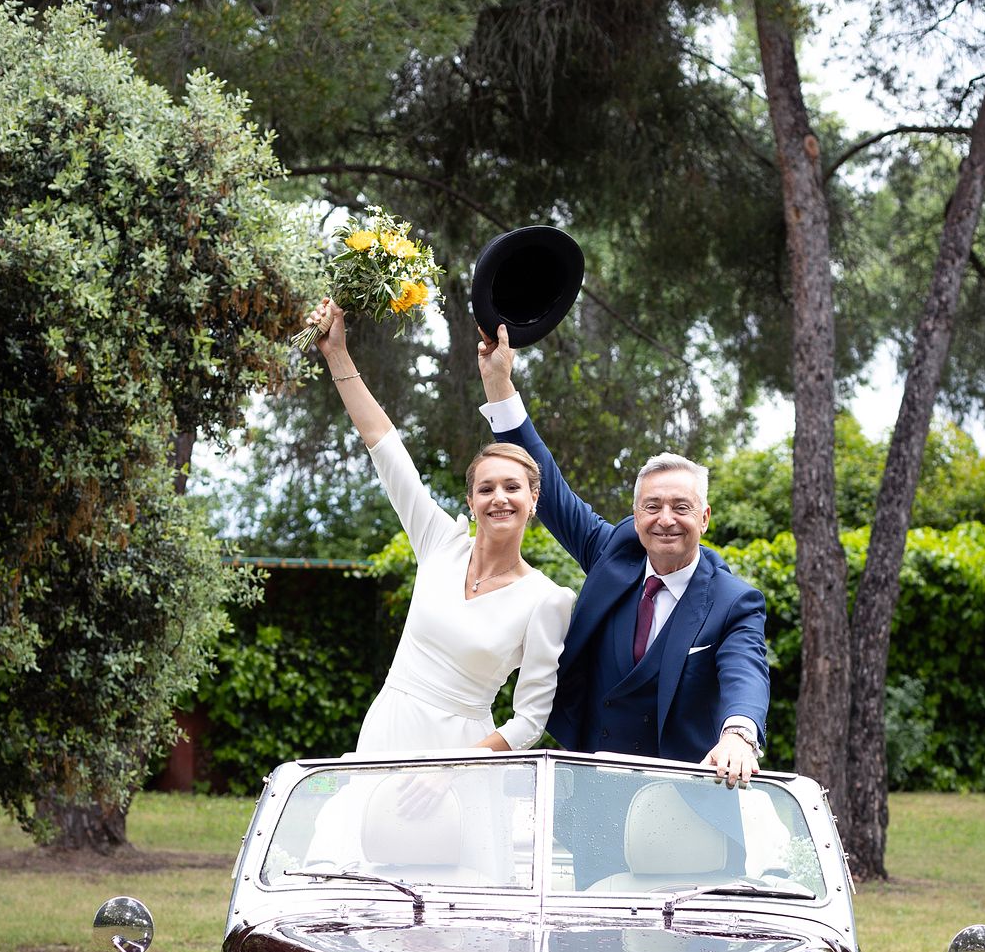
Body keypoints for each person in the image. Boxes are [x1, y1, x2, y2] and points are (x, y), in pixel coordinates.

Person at [476, 325, 769, 784]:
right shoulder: (614, 550)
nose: (665, 520)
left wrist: (739, 734)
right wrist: (499, 384)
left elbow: (745, 671)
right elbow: (548, 485)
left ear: (705, 518)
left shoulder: (734, 601)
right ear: (635, 515)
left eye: (681, 507)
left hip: (681, 795)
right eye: (652, 507)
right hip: (587, 784)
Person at [309, 299, 575, 756]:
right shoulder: (439, 543)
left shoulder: (548, 600)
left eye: (513, 487)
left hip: (463, 756)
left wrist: (458, 765)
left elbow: (530, 720)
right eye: (486, 488)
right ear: (471, 502)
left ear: (534, 501)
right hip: (387, 733)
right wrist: (337, 354)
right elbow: (384, 445)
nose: (499, 498)